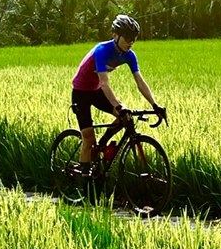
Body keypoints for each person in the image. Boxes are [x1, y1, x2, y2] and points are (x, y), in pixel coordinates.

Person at [70, 14, 166, 175]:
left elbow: (140, 82)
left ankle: (102, 144)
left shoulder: (129, 55)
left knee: (125, 117)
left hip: (96, 91)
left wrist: (155, 105)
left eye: (134, 38)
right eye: (127, 37)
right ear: (115, 35)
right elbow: (104, 83)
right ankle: (84, 186)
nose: (131, 42)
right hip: (81, 92)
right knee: (88, 138)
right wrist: (118, 105)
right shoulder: (101, 51)